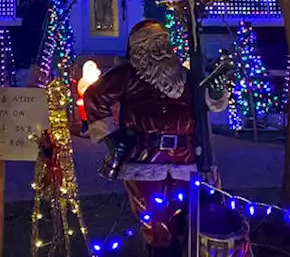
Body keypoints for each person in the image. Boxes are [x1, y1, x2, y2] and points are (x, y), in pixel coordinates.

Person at [83, 19, 229, 257]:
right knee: (156, 225)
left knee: (190, 219)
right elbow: (94, 99)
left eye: (164, 42)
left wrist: (215, 90)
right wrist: (111, 138)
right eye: (154, 43)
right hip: (145, 161)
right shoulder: (127, 75)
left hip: (185, 160)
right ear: (139, 48)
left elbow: (208, 104)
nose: (162, 49)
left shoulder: (185, 76)